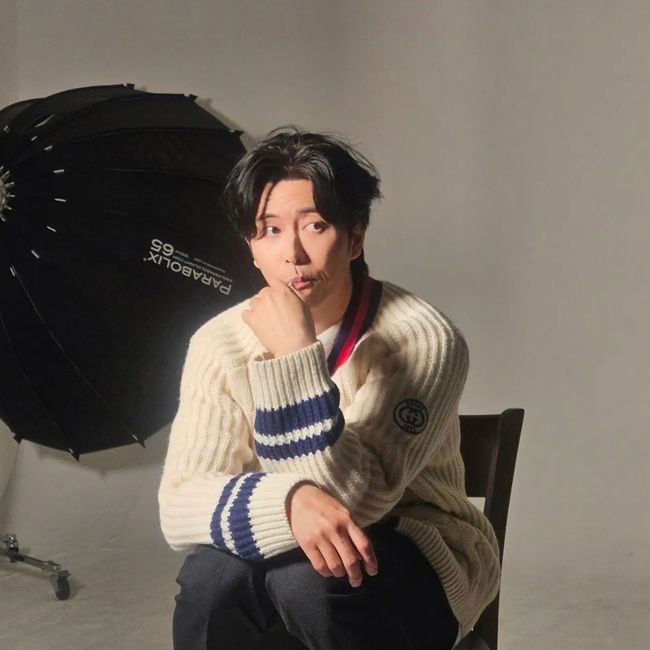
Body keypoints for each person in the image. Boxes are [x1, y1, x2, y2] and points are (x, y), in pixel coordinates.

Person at [158, 127, 500, 650]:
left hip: (418, 546)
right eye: (269, 230)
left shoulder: (422, 338)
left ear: (355, 237)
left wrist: (294, 354)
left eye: (314, 225)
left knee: (306, 581)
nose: (292, 253)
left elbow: (355, 501)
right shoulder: (218, 342)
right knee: (211, 579)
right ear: (251, 247)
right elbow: (180, 505)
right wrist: (290, 502)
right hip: (282, 546)